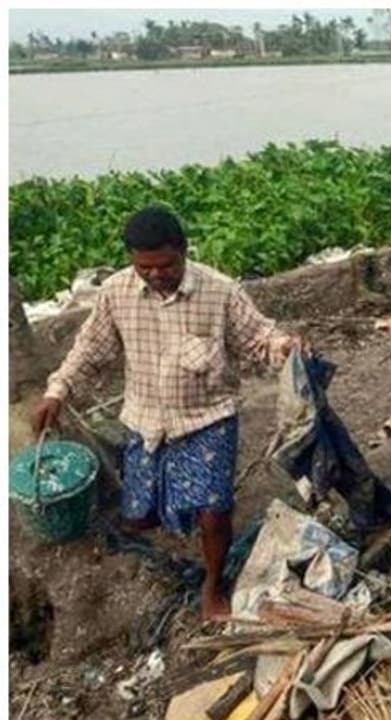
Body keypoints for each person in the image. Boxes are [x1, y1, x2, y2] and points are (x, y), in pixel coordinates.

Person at [31, 206, 303, 620]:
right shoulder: (116, 294)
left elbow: (259, 339)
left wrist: (286, 349)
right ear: (131, 261)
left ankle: (213, 584)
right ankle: (156, 525)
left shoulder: (220, 292)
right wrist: (57, 392)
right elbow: (89, 351)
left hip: (207, 417)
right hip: (146, 419)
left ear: (184, 253)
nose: (155, 275)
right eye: (144, 268)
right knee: (140, 510)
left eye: (165, 266)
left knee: (214, 509)